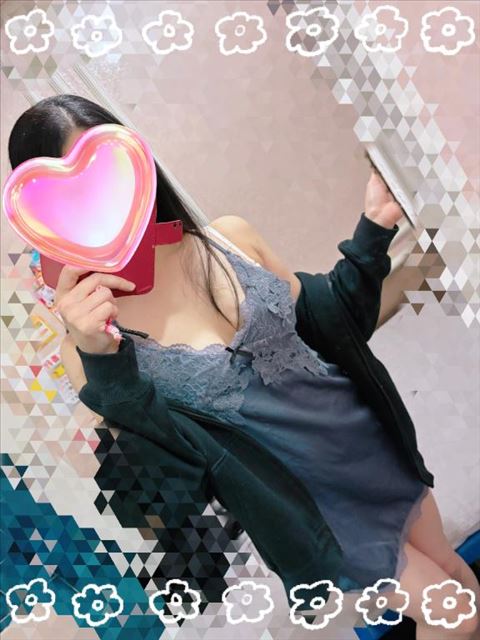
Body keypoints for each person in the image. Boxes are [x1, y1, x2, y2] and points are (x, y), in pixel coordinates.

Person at [7, 94, 479, 639]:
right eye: (76, 200)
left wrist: (374, 226)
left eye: (108, 177)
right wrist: (102, 359)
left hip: (368, 440)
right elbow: (162, 493)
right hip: (310, 509)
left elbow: (330, 324)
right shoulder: (90, 349)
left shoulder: (227, 237)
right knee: (455, 617)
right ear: (48, 223)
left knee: (453, 573)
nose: (102, 207)